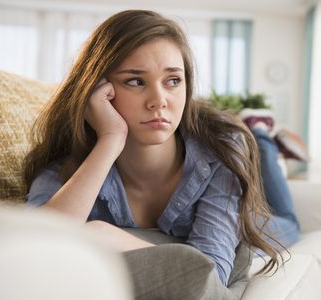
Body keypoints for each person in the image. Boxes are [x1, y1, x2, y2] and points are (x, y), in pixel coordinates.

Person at [23, 9, 299, 292]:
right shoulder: (67, 164)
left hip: (245, 213)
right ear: (97, 90)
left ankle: (263, 136)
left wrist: (102, 235)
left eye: (173, 81)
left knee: (289, 225)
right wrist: (110, 139)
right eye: (135, 81)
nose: (159, 100)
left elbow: (212, 279)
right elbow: (36, 249)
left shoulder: (221, 150)